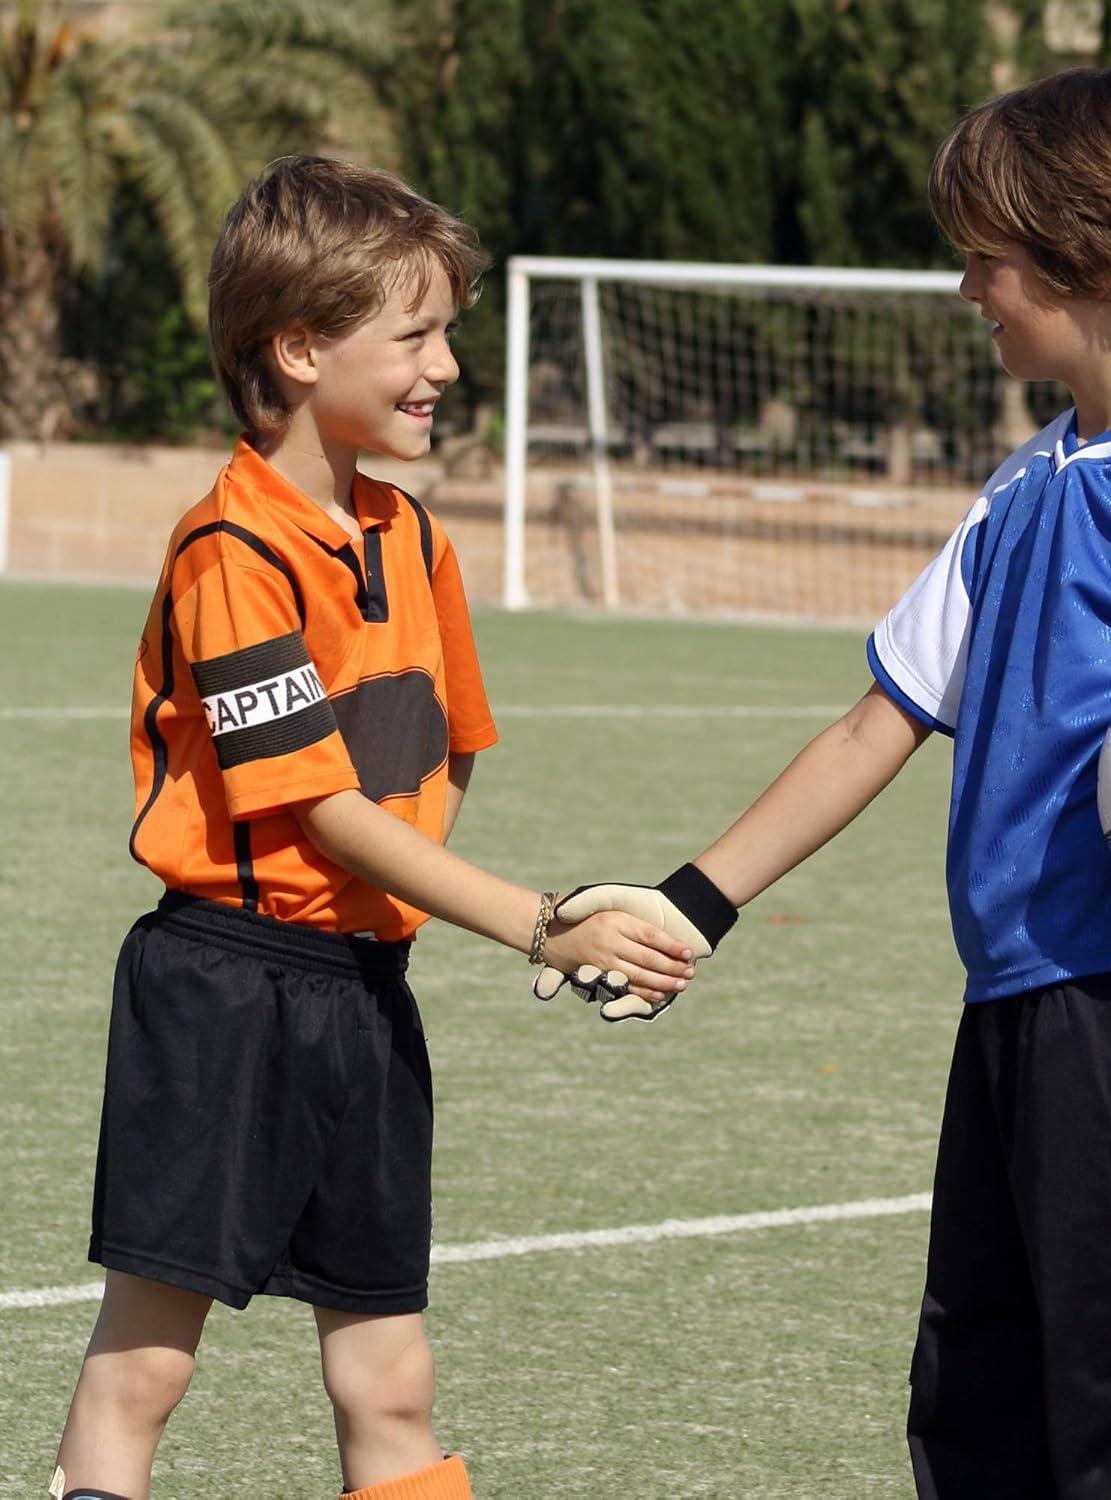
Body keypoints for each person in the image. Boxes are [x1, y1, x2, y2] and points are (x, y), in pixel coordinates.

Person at [534, 68, 1111, 1499]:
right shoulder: (1026, 484)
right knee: (974, 1396)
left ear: (1091, 260)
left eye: (989, 255)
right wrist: (691, 904)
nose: (966, 286)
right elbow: (878, 726)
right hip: (1022, 997)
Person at [50, 155, 695, 1500]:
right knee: (146, 1369)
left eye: (447, 332)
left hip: (361, 997)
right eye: (414, 333)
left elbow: (442, 752)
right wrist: (542, 920)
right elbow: (325, 809)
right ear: (296, 348)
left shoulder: (418, 542)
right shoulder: (231, 553)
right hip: (221, 990)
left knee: (390, 1380)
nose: (447, 365)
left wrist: (435, 914)